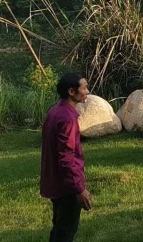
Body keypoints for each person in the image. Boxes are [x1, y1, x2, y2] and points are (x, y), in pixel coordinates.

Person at [40, 73, 93, 242]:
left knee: (59, 230)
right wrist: (79, 188)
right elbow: (66, 157)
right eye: (84, 87)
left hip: (56, 183)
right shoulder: (68, 118)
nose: (87, 91)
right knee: (65, 233)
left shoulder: (55, 111)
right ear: (72, 91)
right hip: (67, 186)